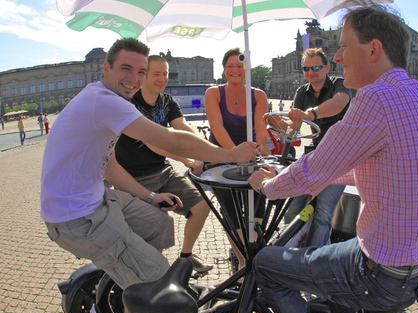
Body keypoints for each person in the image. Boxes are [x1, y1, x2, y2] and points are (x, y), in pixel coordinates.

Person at [248, 5, 418, 313]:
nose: (337, 56)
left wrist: (266, 186)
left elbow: (312, 169)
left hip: (380, 273)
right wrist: (320, 175)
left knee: (264, 263)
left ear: (374, 49)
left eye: (344, 46)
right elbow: (385, 167)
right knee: (335, 263)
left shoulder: (377, 97)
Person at [41, 38, 257, 296]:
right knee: (159, 281)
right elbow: (168, 140)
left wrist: (151, 197)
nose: (134, 78)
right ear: (106, 70)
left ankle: (133, 273)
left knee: (160, 223)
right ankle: (144, 290)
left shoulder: (104, 98)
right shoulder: (104, 101)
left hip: (99, 199)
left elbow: (110, 168)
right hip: (77, 218)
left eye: (140, 72)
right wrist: (229, 154)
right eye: (125, 69)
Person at [113, 55, 212, 273]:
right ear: (144, 75)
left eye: (165, 73)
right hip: (134, 178)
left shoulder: (167, 101)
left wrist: (205, 148)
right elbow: (153, 143)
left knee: (202, 205)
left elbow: (183, 127)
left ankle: (186, 257)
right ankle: (156, 274)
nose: (162, 78)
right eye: (156, 73)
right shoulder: (130, 103)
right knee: (158, 224)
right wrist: (188, 159)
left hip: (162, 171)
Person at [205, 47, 269, 270]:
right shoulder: (213, 93)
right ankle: (243, 261)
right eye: (230, 66)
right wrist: (233, 153)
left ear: (247, 68)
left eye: (240, 66)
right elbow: (216, 127)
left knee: (258, 205)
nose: (235, 70)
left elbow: (261, 128)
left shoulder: (258, 95)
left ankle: (253, 253)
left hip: (249, 158)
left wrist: (260, 146)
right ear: (224, 69)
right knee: (230, 211)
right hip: (221, 157)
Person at [283, 47, 352, 248]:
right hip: (314, 155)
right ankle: (290, 248)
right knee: (293, 208)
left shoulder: (340, 84)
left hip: (340, 158)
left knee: (323, 212)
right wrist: (278, 124)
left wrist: (310, 114)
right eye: (306, 68)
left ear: (327, 67)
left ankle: (314, 257)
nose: (311, 72)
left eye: (316, 67)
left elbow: (339, 104)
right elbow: (292, 128)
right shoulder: (301, 92)